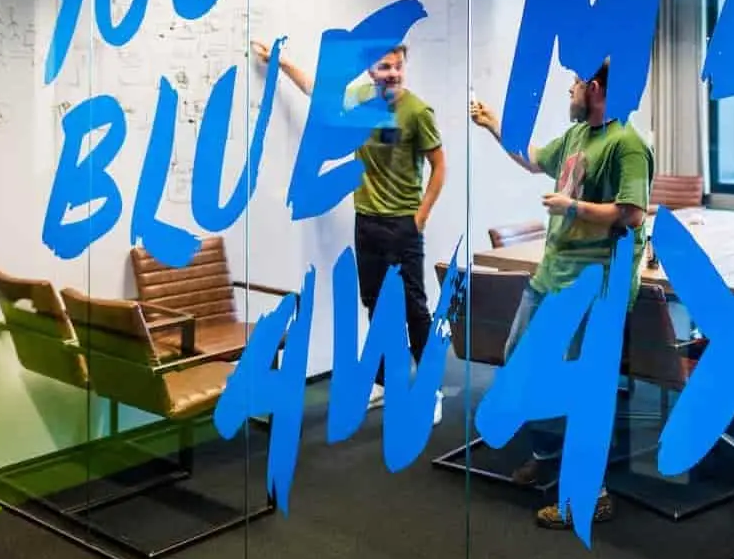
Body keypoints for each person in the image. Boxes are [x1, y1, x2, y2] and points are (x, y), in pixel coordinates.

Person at [469, 59, 654, 530]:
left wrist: (572, 207)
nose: (568, 93)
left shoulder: (627, 144)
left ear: (593, 88)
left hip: (593, 285)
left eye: (572, 85)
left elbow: (632, 213)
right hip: (552, 276)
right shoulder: (576, 137)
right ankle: (549, 452)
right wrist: (494, 125)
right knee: (520, 361)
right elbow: (534, 158)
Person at [252, 40, 447, 423]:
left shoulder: (417, 111)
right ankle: (384, 382)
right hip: (367, 222)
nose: (392, 73)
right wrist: (281, 61)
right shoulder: (359, 100)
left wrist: (420, 217)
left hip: (402, 224)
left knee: (414, 308)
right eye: (384, 67)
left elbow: (439, 166)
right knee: (375, 304)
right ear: (371, 71)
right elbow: (316, 91)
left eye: (398, 66)